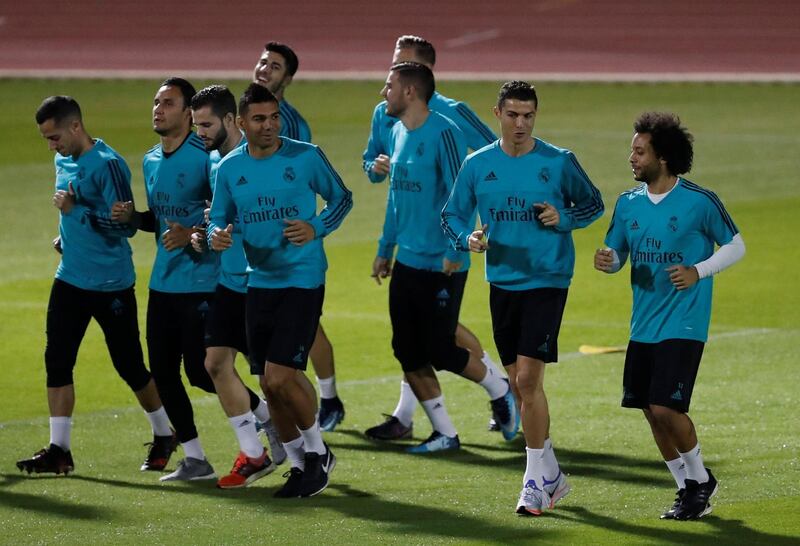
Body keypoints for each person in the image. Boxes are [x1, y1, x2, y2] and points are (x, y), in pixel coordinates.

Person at [442, 81, 604, 515]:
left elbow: (593, 205)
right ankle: (551, 474)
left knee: (529, 381)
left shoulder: (558, 161)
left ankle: (533, 484)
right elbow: (452, 214)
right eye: (513, 115)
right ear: (497, 113)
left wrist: (562, 217)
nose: (521, 123)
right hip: (503, 282)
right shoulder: (478, 165)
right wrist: (467, 238)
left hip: (548, 280)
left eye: (528, 116)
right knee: (517, 386)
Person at [594, 112, 745, 520]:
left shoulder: (699, 201)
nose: (632, 158)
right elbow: (618, 254)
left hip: (684, 322)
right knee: (648, 408)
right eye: (632, 150)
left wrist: (699, 270)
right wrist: (608, 261)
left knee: (665, 407)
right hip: (644, 323)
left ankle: (699, 480)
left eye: (639, 151)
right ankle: (687, 489)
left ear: (662, 157)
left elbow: (736, 246)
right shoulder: (628, 204)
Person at [17, 96, 174, 476]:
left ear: (75, 126)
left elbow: (126, 224)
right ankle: (60, 451)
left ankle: (165, 433)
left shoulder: (108, 165)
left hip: (110, 284)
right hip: (70, 277)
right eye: (46, 139)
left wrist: (77, 214)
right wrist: (66, 235)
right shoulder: (62, 160)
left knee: (130, 365)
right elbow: (75, 217)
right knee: (57, 360)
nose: (52, 146)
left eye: (55, 137)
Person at [208, 83, 352, 497]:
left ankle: (317, 454)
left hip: (303, 279)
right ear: (240, 122)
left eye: (274, 117)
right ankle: (297, 463)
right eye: (259, 118)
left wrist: (317, 227)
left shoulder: (306, 157)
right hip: (260, 281)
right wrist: (217, 234)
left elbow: (342, 198)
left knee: (281, 375)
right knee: (269, 385)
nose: (269, 125)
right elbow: (219, 217)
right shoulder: (230, 169)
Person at [362, 34, 506, 440]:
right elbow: (379, 176)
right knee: (412, 341)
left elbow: (479, 167)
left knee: (438, 340)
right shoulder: (389, 120)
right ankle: (413, 419)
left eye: (398, 67)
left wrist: (461, 239)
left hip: (443, 248)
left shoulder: (450, 119)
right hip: (409, 247)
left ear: (418, 77)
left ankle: (498, 390)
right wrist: (376, 169)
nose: (387, 78)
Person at [113, 77, 219, 481]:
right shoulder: (150, 160)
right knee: (162, 373)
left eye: (168, 103)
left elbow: (222, 214)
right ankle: (195, 458)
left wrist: (192, 234)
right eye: (156, 102)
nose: (158, 109)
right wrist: (133, 218)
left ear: (189, 113)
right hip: (163, 283)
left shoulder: (206, 158)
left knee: (201, 372)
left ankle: (264, 415)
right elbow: (159, 222)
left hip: (202, 281)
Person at [188, 84, 286, 488]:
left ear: (232, 121)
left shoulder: (254, 161)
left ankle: (310, 449)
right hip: (230, 280)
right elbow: (218, 221)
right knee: (213, 363)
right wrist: (205, 235)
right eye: (196, 125)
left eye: (207, 124)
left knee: (277, 380)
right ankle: (254, 451)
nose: (200, 133)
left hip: (263, 282)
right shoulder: (217, 162)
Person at [252, 41, 344, 431]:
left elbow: (317, 185)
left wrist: (308, 227)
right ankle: (313, 405)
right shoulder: (245, 114)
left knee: (306, 329)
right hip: (254, 249)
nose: (264, 69)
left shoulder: (290, 124)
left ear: (287, 79)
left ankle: (325, 401)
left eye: (274, 66)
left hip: (289, 247)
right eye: (262, 61)